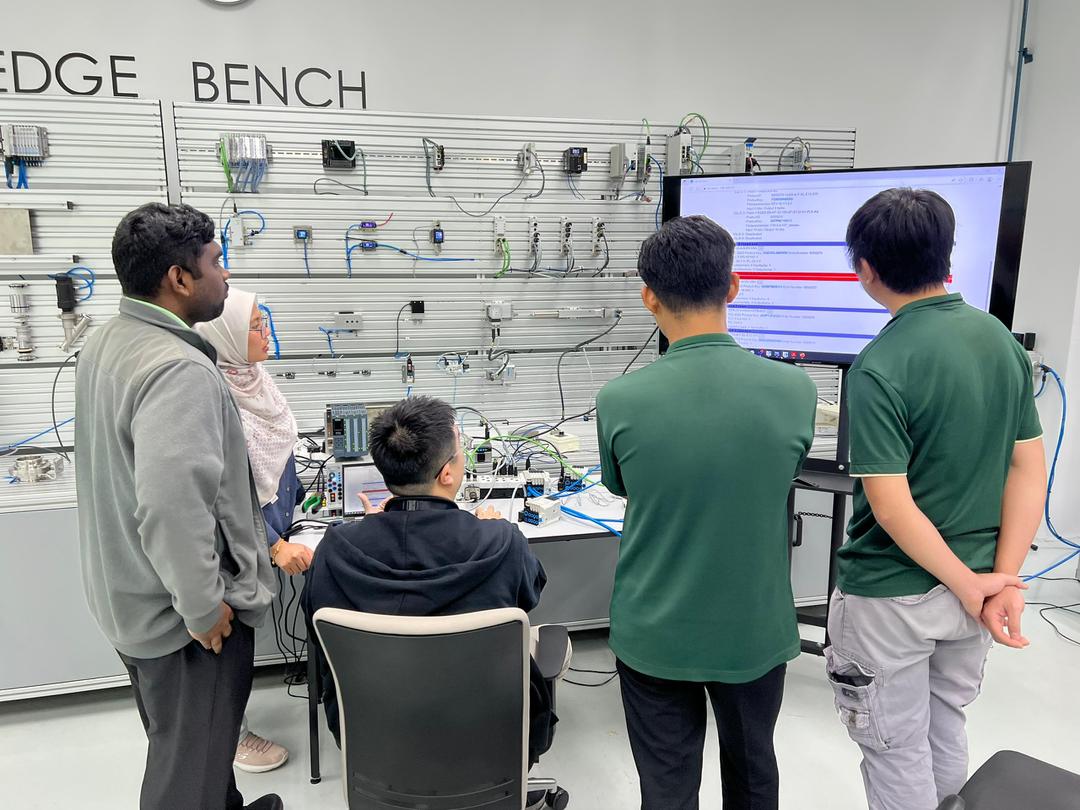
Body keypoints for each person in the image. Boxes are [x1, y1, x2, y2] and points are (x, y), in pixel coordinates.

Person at [826, 188, 1045, 810]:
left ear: (864, 270)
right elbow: (1028, 466)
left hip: (895, 594)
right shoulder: (999, 339)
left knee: (894, 748)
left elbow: (891, 509)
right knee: (944, 723)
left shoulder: (880, 364)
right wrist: (999, 579)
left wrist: (973, 584)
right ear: (946, 254)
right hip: (974, 584)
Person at [595, 215, 817, 810]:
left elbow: (621, 488)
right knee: (752, 774)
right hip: (754, 629)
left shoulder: (619, 401)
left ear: (648, 297)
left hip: (654, 629)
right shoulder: (796, 391)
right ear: (734, 286)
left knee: (665, 787)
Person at [75, 203, 282, 810]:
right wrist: (201, 607)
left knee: (196, 743)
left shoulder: (109, 341)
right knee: (184, 770)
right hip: (183, 622)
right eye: (217, 262)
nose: (226, 277)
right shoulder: (177, 369)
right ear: (179, 278)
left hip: (127, 595)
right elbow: (171, 507)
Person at [301, 395, 559, 766]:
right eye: (460, 451)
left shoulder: (336, 550)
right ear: (447, 474)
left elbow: (317, 629)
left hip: (373, 739)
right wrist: (493, 532)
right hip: (491, 734)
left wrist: (368, 531)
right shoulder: (502, 544)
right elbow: (530, 593)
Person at [196, 288, 308, 774]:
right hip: (234, 549)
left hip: (273, 528)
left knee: (240, 643)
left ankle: (227, 730)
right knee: (224, 649)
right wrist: (273, 543)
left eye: (265, 321)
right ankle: (231, 741)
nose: (267, 333)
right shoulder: (212, 395)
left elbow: (276, 458)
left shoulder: (252, 379)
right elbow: (226, 494)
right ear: (225, 337)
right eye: (256, 325)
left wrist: (299, 504)